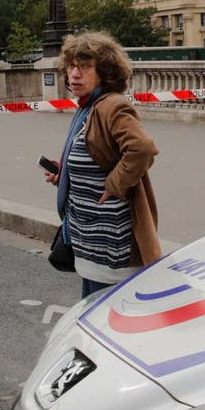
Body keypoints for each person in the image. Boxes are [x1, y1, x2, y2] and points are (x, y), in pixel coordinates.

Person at [43, 32, 161, 299]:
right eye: (72, 66)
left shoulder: (112, 105)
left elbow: (142, 148)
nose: (74, 74)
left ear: (104, 72)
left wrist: (115, 184)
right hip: (90, 235)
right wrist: (65, 171)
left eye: (85, 67)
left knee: (108, 315)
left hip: (110, 241)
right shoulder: (89, 107)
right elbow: (94, 152)